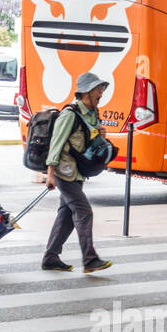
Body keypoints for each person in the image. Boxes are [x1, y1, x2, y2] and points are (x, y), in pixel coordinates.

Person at [42, 71, 113, 274]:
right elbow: (55, 145)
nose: (101, 92)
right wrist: (50, 174)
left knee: (65, 215)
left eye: (101, 89)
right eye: (98, 89)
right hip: (64, 173)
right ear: (85, 93)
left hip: (77, 172)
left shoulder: (92, 114)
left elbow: (87, 142)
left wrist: (100, 135)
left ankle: (50, 257)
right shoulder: (69, 115)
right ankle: (90, 259)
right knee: (83, 211)